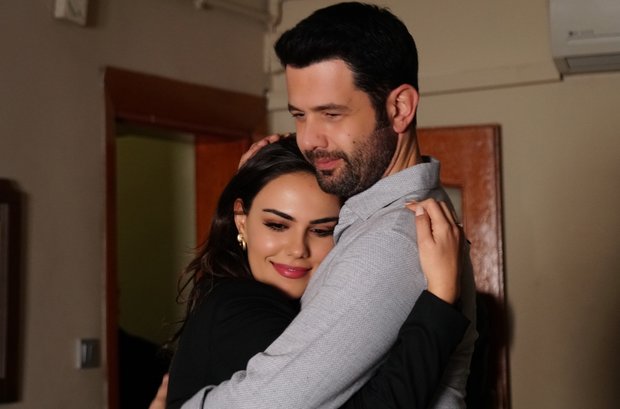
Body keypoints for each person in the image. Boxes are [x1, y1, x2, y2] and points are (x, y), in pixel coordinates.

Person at [182, 3, 477, 408]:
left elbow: (267, 402)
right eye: (300, 116)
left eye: (331, 114)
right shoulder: (368, 210)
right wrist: (257, 186)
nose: (309, 140)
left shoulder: (390, 240)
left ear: (399, 108)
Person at [156, 137, 467, 409]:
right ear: (242, 221)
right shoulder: (241, 309)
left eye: (321, 230)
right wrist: (440, 299)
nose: (297, 249)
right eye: (276, 225)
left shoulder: (232, 294)